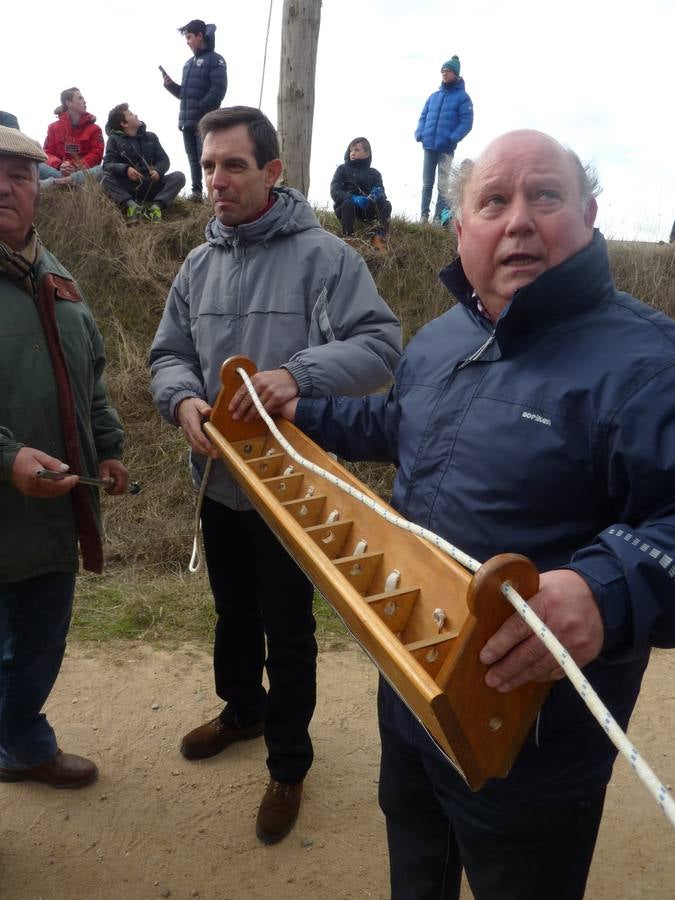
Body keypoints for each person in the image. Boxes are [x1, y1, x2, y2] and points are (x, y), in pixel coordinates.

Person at [281, 130, 675, 899]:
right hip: (412, 689)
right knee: (415, 857)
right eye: (493, 201)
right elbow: (398, 426)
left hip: (536, 741)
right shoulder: (440, 338)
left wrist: (605, 587)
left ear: (589, 214)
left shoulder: (649, 364)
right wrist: (303, 411)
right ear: (460, 229)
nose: (518, 220)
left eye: (545, 197)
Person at [149, 106, 401, 845]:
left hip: (292, 491)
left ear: (272, 172)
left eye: (232, 165)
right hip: (218, 480)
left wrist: (297, 375)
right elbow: (167, 355)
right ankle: (242, 711)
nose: (216, 181)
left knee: (288, 630)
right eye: (207, 167)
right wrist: (183, 399)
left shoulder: (325, 258)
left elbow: (383, 344)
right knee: (232, 612)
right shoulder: (197, 264)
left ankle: (289, 762)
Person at [0, 125, 128, 789]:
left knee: (41, 648)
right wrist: (7, 457)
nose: (4, 186)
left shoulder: (61, 282)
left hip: (52, 517)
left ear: (38, 191)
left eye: (19, 175)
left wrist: (107, 449)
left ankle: (20, 744)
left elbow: (93, 380)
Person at [162, 18, 227, 202]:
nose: (188, 42)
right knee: (193, 158)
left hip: (204, 120)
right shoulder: (188, 63)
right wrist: (171, 86)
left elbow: (218, 90)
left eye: (190, 37)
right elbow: (186, 94)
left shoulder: (216, 60)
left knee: (206, 158)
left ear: (200, 36)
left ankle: (212, 193)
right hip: (186, 121)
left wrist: (201, 109)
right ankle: (197, 193)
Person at [102, 104, 185, 224]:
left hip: (152, 184)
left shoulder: (151, 137)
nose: (135, 115)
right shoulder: (114, 139)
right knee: (103, 176)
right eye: (130, 114)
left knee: (179, 176)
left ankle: (156, 208)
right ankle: (131, 205)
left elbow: (164, 160)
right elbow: (107, 164)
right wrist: (126, 169)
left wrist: (158, 170)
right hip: (129, 186)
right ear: (124, 124)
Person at [415, 56, 473, 225]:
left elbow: (467, 122)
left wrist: (452, 138)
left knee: (442, 185)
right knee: (427, 183)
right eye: (442, 71)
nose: (444, 74)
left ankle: (438, 218)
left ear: (455, 73)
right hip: (429, 145)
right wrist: (420, 132)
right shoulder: (433, 96)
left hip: (446, 147)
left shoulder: (463, 98)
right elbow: (423, 116)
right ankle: (423, 217)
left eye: (447, 71)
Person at [330, 137, 392, 253]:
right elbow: (334, 190)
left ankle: (379, 237)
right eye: (351, 150)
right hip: (346, 208)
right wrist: (352, 198)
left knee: (387, 205)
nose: (352, 153)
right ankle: (349, 237)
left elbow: (383, 193)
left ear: (367, 153)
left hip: (368, 209)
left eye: (357, 150)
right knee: (347, 203)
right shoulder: (342, 169)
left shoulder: (375, 174)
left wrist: (378, 194)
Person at [42, 88, 105, 188]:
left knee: (104, 169)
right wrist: (59, 165)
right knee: (34, 164)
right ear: (69, 103)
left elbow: (97, 154)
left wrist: (75, 166)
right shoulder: (53, 128)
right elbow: (47, 152)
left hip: (82, 174)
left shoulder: (95, 129)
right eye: (80, 98)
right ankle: (68, 183)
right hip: (58, 171)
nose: (84, 101)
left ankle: (58, 183)